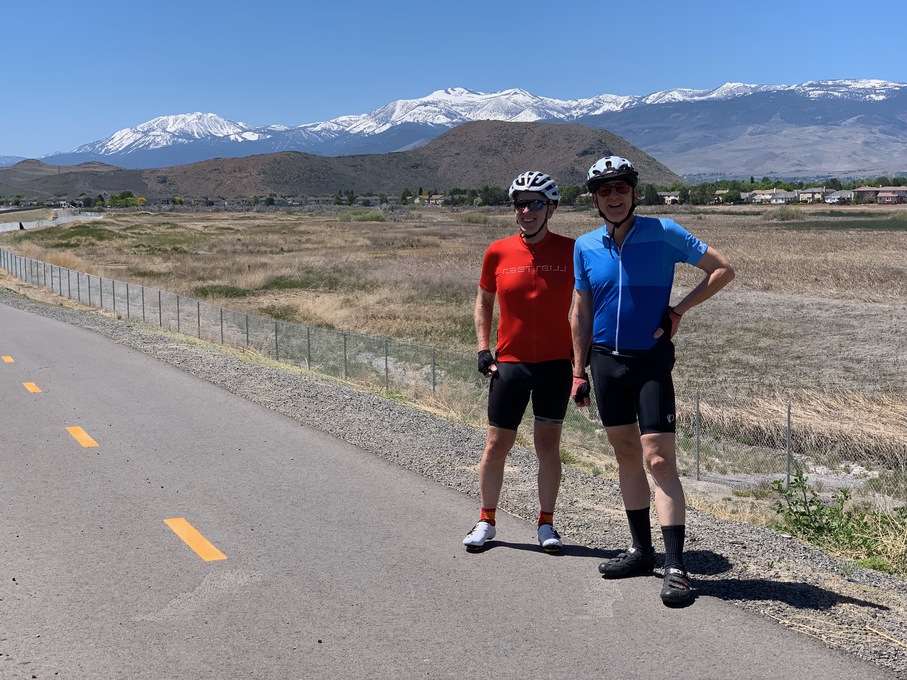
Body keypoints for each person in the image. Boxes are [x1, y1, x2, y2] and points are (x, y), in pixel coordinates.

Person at [570, 156, 735, 604]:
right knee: (626, 456)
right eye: (604, 191)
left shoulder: (663, 232)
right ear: (595, 199)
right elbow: (581, 312)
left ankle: (676, 565)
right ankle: (641, 551)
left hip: (649, 362)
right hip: (605, 363)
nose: (614, 196)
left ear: (633, 192)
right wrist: (577, 372)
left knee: (659, 461)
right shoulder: (585, 246)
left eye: (620, 188)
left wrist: (678, 309)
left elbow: (722, 269)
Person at [463, 171, 575, 553]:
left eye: (536, 203)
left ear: (552, 209)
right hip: (510, 364)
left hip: (556, 365)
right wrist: (483, 350)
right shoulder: (497, 251)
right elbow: (483, 302)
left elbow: (589, 307)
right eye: (520, 204)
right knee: (496, 445)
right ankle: (486, 520)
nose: (527, 210)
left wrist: (582, 366)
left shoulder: (572, 251)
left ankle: (546, 524)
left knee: (548, 447)